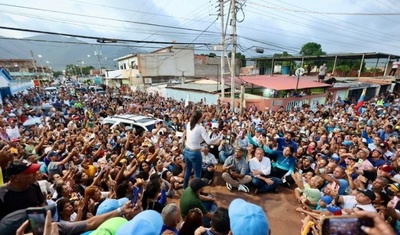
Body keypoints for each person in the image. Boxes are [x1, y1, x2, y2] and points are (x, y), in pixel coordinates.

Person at [183, 110, 221, 189]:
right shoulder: (201, 128)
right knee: (197, 174)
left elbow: (193, 138)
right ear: (200, 118)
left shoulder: (189, 124)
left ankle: (184, 188)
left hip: (186, 150)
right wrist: (218, 136)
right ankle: (197, 192)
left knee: (188, 171)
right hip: (195, 153)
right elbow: (209, 141)